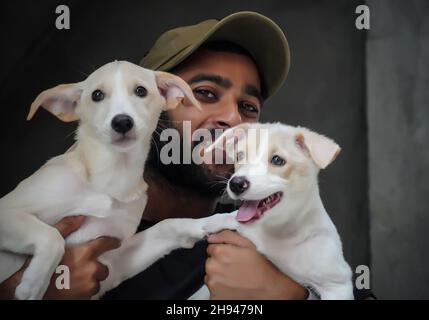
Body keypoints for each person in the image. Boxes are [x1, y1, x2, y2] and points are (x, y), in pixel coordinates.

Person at [0, 11, 315, 300]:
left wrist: (289, 295)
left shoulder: (270, 238)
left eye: (248, 107)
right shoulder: (63, 204)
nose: (233, 119)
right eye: (205, 93)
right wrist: (16, 290)